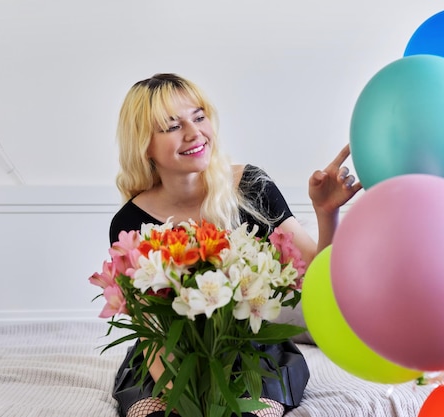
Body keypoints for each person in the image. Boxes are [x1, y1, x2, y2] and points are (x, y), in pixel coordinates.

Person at [108, 73, 362, 417]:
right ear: (144, 145)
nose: (194, 132)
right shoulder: (130, 223)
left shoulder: (251, 185)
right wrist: (185, 400)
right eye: (171, 126)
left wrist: (326, 212)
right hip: (166, 357)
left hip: (253, 348)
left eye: (199, 117)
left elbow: (317, 279)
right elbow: (153, 332)